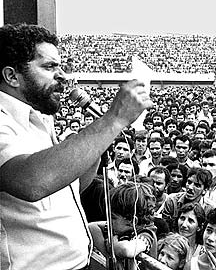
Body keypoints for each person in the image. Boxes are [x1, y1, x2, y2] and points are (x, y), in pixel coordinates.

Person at [0, 24, 153, 270]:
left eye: (60, 66)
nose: (62, 76)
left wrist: (93, 146)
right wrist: (112, 120)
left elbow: (67, 187)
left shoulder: (40, 118)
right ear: (11, 76)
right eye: (49, 67)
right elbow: (32, 182)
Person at [89, 182, 158, 269]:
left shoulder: (146, 233)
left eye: (113, 218)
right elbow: (92, 227)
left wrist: (113, 245)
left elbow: (127, 250)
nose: (109, 221)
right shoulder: (121, 227)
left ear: (132, 221)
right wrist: (109, 256)